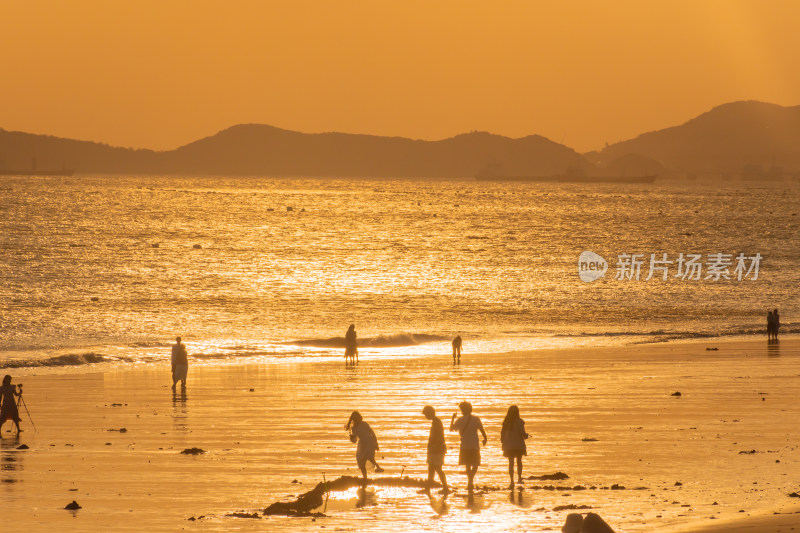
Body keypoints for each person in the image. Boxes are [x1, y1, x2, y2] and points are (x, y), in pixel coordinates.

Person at [449, 401, 486, 491]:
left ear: (462, 410)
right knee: (476, 465)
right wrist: (485, 438)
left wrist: (452, 418)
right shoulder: (476, 419)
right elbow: (481, 430)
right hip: (474, 445)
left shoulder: (460, 420)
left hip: (465, 445)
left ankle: (470, 482)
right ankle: (470, 481)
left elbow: (451, 429)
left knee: (468, 465)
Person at [345, 411, 384, 483]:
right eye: (355, 418)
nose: (356, 419)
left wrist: (376, 444)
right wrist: (352, 438)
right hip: (362, 444)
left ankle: (378, 467)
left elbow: (372, 433)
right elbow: (355, 441)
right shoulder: (354, 428)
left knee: (369, 457)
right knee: (361, 461)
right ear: (353, 419)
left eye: (357, 418)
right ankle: (365, 477)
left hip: (369, 442)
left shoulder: (364, 424)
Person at [501, 405, 530, 489]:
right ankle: (519, 478)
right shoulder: (520, 421)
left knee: (511, 463)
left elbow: (502, 434)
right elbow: (522, 433)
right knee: (519, 462)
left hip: (509, 446)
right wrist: (526, 436)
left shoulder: (506, 422)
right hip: (518, 445)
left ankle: (511, 481)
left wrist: (503, 442)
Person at [422, 405, 449, 493]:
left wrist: (433, 446)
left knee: (437, 469)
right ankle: (427, 488)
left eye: (426, 414)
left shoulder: (436, 422)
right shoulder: (436, 421)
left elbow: (438, 437)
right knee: (431, 469)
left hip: (437, 450)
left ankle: (445, 487)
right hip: (435, 449)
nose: (425, 416)